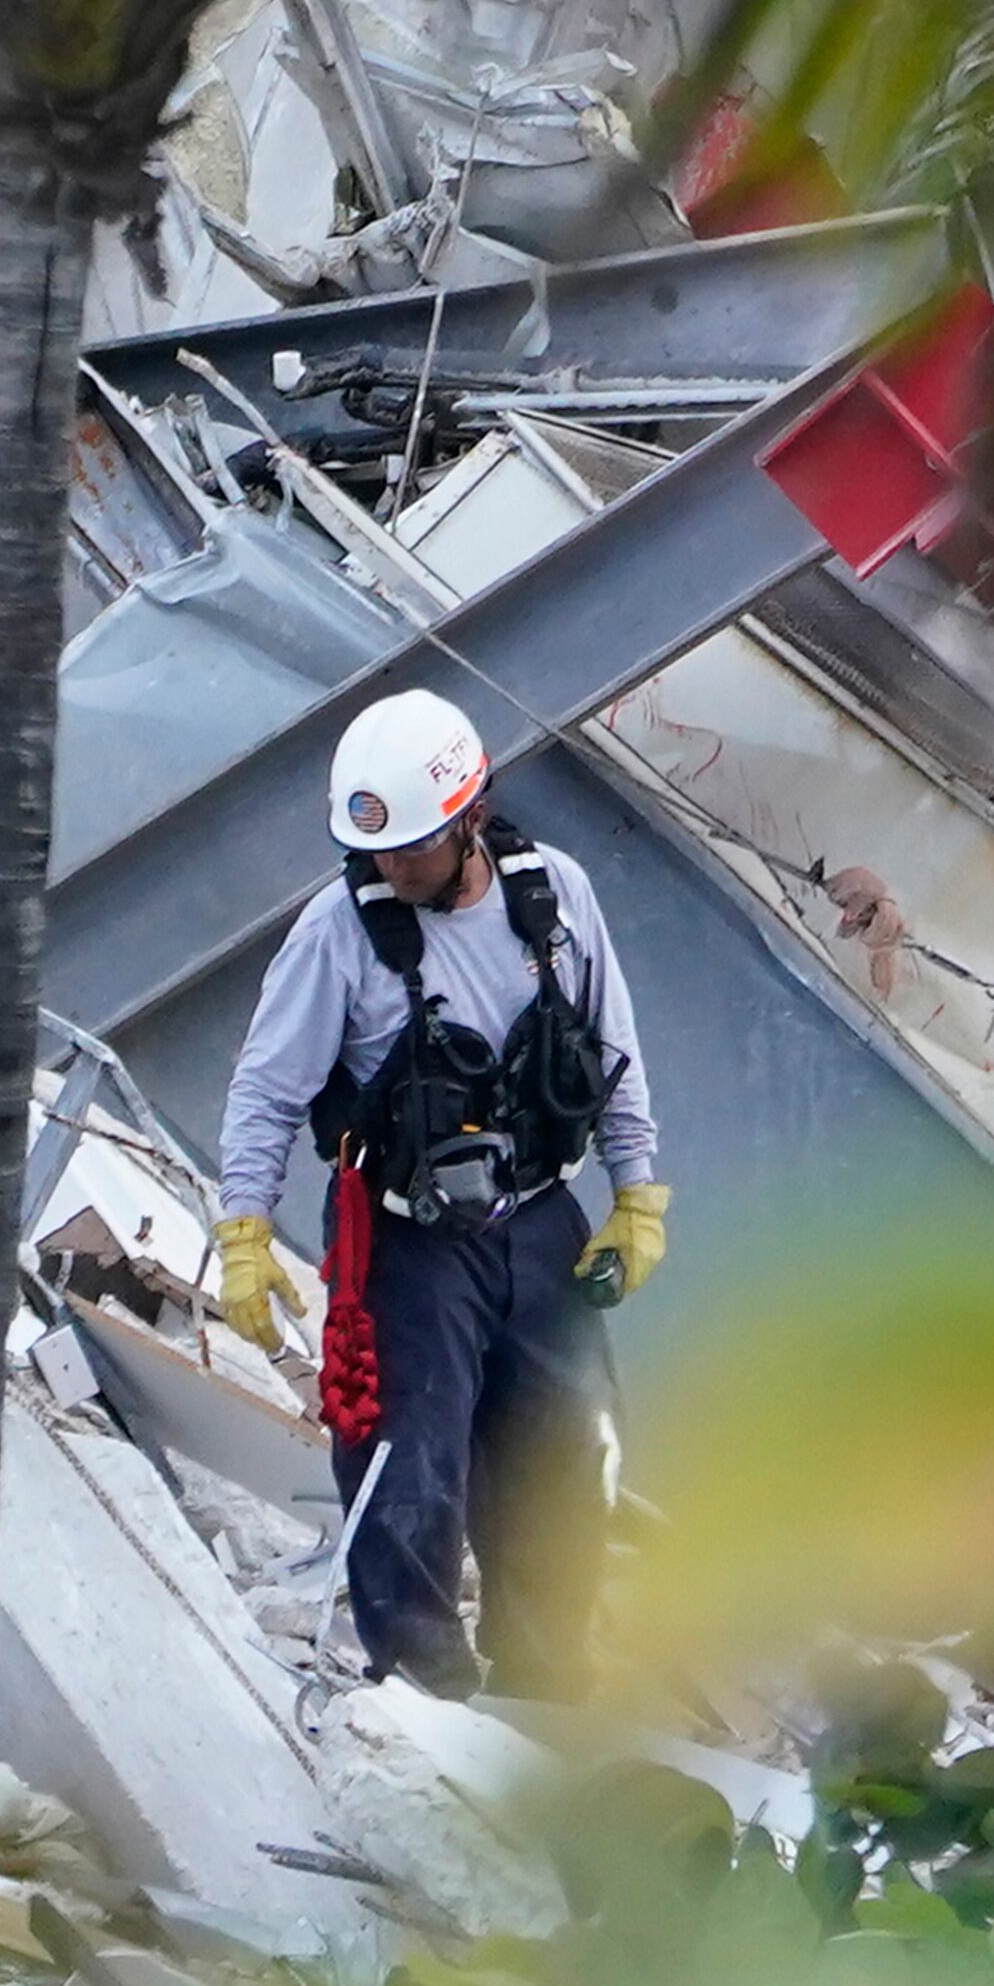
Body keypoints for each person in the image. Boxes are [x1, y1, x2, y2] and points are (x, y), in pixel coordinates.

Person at [208, 689, 666, 1701]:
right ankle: (422, 1689)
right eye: (373, 849)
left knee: (566, 1455)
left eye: (412, 847)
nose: (389, 866)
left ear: (469, 816)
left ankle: (546, 1681)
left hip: (539, 1215)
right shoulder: (338, 933)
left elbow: (612, 1050)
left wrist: (637, 1194)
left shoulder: (555, 901)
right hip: (404, 1239)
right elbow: (265, 1089)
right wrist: (243, 1226)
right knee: (406, 1467)